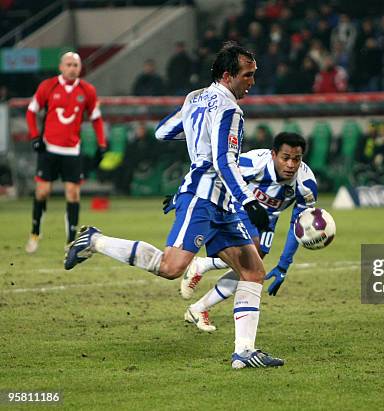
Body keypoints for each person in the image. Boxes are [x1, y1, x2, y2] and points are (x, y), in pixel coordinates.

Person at [63, 42, 284, 369]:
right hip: (206, 196)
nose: (252, 81)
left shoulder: (194, 98)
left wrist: (198, 135)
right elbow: (224, 161)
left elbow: (163, 132)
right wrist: (249, 202)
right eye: (247, 75)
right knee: (170, 268)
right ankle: (93, 240)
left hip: (216, 199)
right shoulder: (231, 110)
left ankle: (244, 352)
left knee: (253, 271)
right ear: (227, 76)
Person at [179, 132, 317, 332]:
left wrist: (284, 265)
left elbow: (299, 226)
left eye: (296, 159)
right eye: (285, 158)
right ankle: (204, 264)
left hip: (268, 221)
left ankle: (198, 307)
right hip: (240, 207)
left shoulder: (306, 185)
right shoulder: (253, 162)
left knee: (251, 270)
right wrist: (186, 193)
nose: (291, 165)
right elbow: (219, 170)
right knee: (252, 250)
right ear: (273, 155)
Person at [25, 52, 107, 253]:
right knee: (42, 192)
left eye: (76, 65)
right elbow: (31, 111)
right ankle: (35, 233)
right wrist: (35, 137)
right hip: (49, 149)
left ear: (80, 68)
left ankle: (71, 241)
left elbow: (95, 118)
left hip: (72, 150)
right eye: (69, 64)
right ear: (61, 67)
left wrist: (102, 143)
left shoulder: (87, 90)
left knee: (73, 194)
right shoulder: (48, 86)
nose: (72, 68)